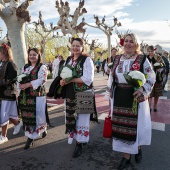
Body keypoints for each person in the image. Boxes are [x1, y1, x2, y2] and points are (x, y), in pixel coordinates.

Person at [106, 33, 155, 169]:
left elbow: (151, 77)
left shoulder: (142, 59)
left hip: (135, 97)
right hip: (119, 96)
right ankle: (126, 156)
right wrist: (109, 94)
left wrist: (142, 89)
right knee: (121, 126)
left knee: (135, 126)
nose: (128, 44)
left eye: (131, 41)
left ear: (136, 44)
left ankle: (137, 148)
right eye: (126, 41)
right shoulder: (116, 59)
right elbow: (112, 78)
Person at [60, 37, 98, 158]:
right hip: (70, 92)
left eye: (78, 46)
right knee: (71, 116)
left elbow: (88, 79)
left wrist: (70, 80)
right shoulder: (68, 59)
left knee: (82, 119)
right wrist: (62, 81)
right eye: (73, 45)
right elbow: (63, 74)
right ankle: (76, 138)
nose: (75, 48)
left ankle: (79, 143)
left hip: (84, 93)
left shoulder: (87, 60)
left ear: (82, 47)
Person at [18, 48, 48, 149]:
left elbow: (42, 80)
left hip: (37, 95)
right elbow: (20, 78)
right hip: (26, 96)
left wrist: (28, 84)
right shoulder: (25, 67)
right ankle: (38, 131)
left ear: (38, 56)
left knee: (37, 116)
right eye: (30, 54)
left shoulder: (42, 67)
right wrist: (20, 86)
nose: (32, 56)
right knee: (28, 116)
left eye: (34, 55)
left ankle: (31, 138)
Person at [0, 44, 22, 144]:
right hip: (1, 93)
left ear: (4, 53)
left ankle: (3, 136)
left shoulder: (11, 64)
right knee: (7, 114)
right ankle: (18, 124)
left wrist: (2, 82)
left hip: (8, 93)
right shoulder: (1, 63)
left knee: (4, 114)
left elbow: (13, 79)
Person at [146, 45, 165, 112]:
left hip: (157, 78)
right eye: (149, 51)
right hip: (148, 78)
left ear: (154, 50)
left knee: (157, 94)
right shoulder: (146, 58)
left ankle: (155, 105)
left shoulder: (158, 57)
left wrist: (160, 68)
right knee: (149, 93)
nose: (150, 52)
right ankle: (149, 106)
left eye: (151, 51)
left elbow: (163, 65)